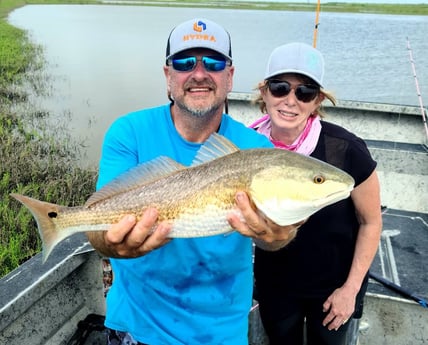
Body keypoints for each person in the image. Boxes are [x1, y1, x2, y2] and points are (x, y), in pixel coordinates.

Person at [87, 19, 300, 345]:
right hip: (136, 326)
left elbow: (272, 238)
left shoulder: (258, 151)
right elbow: (100, 223)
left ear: (229, 77)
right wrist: (109, 243)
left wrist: (279, 235)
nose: (199, 73)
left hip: (221, 332)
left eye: (213, 63)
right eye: (185, 63)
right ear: (168, 75)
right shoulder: (128, 131)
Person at [250, 42, 383, 345]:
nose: (290, 100)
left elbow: (371, 222)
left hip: (333, 291)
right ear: (265, 91)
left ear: (317, 100)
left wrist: (350, 290)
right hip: (276, 287)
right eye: (280, 87)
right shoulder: (248, 146)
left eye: (305, 92)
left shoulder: (347, 150)